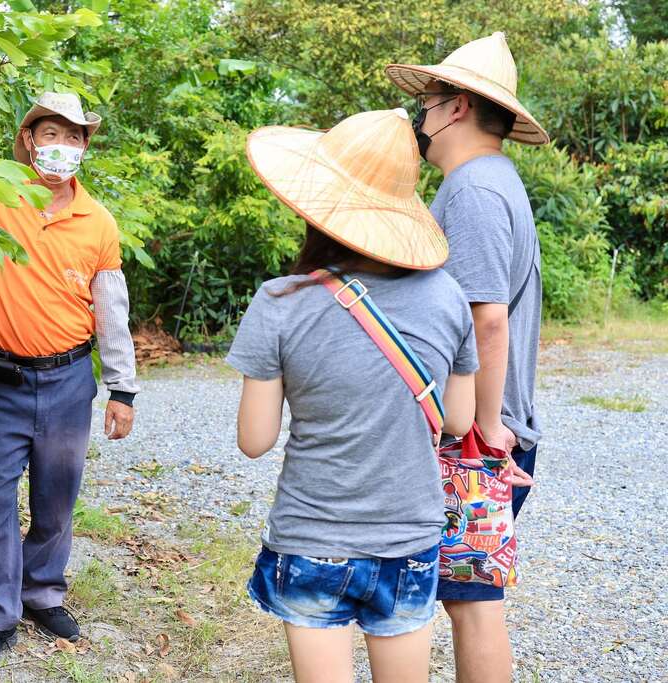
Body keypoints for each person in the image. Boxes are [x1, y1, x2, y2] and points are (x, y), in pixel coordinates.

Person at [229, 109, 479, 683]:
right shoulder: (448, 296)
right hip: (409, 541)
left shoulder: (279, 301)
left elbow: (254, 440)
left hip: (312, 536)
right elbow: (459, 420)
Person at [386, 31, 546, 682]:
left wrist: (485, 430)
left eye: (427, 101)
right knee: (465, 593)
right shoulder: (488, 179)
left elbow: (487, 320)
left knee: (473, 600)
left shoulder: (475, 189)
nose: (420, 117)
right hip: (478, 427)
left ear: (455, 108)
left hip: (478, 433)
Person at [0, 92, 139, 667]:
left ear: (85, 147)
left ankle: (41, 592)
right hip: (1, 380)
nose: (60, 146)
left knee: (57, 501)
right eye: (49, 134)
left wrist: (122, 389)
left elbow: (111, 313)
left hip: (67, 383)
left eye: (72, 136)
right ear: (28, 142)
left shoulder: (98, 223)